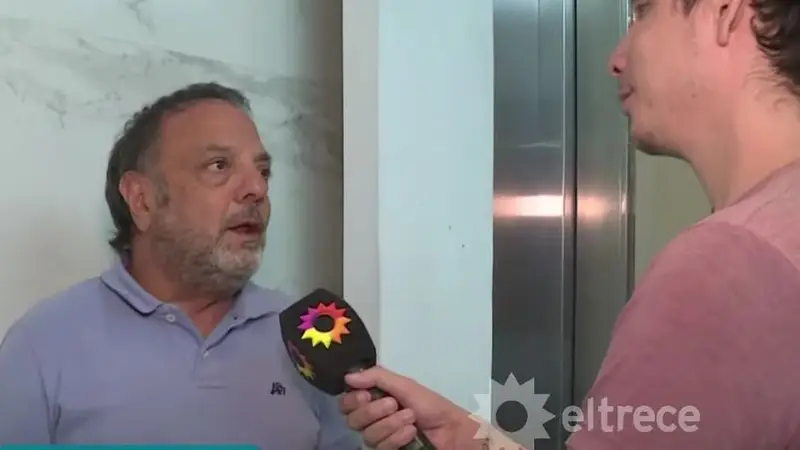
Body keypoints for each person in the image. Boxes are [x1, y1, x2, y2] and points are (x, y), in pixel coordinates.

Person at [339, 0, 800, 449]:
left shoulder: (726, 266)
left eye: (642, 11)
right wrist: (471, 441)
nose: (616, 59)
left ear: (724, 12)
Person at [0, 82, 361, 449]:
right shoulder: (42, 345)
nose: (257, 189)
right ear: (142, 200)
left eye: (264, 171)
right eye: (219, 166)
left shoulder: (310, 336)